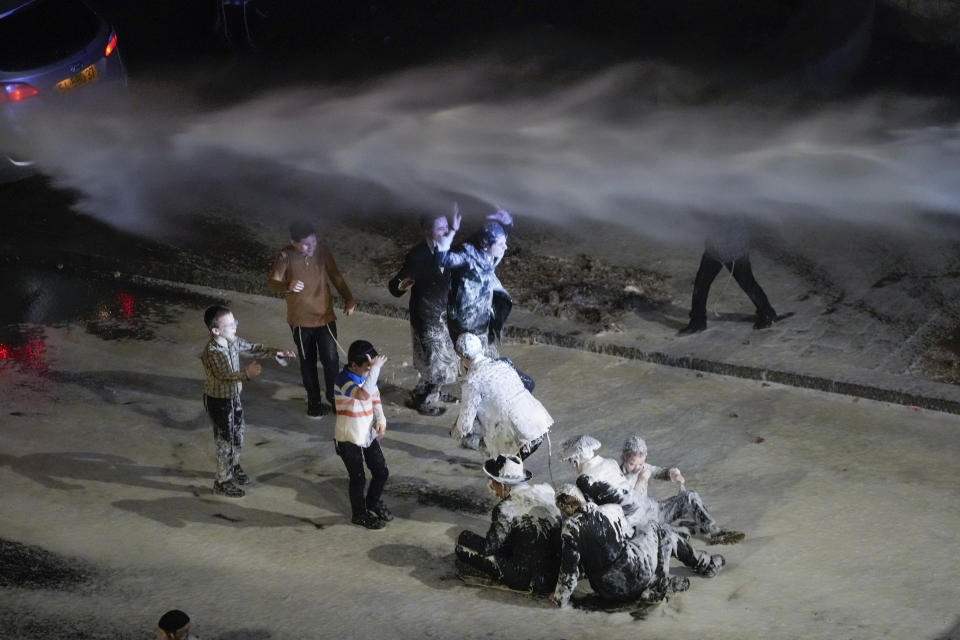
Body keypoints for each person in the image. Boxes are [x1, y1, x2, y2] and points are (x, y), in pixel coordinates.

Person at [549, 484, 725, 608]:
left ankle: (657, 582)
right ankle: (704, 565)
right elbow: (629, 535)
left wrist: (560, 599)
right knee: (660, 530)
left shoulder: (568, 531)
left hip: (608, 591)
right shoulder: (611, 510)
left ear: (563, 509)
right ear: (582, 497)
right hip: (637, 574)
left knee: (640, 537)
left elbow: (569, 573)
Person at [200, 305, 295, 498]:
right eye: (230, 324)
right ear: (216, 330)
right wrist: (247, 374)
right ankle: (222, 481)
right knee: (225, 441)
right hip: (218, 402)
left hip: (233, 399)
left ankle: (233, 466)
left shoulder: (231, 340)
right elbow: (223, 375)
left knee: (238, 435)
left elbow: (252, 348)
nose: (235, 326)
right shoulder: (212, 352)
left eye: (235, 322)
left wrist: (276, 352)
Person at [268, 220, 357, 418]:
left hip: (325, 317)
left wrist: (349, 298)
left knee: (331, 361)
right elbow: (272, 283)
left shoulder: (322, 251)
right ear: (293, 242)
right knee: (307, 363)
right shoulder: (285, 256)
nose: (311, 246)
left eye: (313, 241)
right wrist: (287, 285)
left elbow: (336, 276)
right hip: (300, 322)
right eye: (306, 244)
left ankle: (336, 401)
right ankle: (314, 404)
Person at [455, 455, 562, 595]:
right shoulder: (547, 493)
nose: (491, 486)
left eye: (493, 482)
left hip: (527, 579)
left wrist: (464, 537)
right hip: (554, 575)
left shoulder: (506, 509)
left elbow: (489, 547)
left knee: (462, 547)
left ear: (503, 485)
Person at [388, 209, 460, 416]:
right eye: (440, 228)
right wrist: (403, 284)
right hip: (427, 316)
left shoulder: (450, 250)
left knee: (446, 358)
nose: (446, 231)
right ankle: (425, 400)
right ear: (428, 232)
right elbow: (396, 285)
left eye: (447, 227)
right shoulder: (418, 255)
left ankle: (430, 390)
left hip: (446, 313)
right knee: (434, 360)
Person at [620, 435, 744, 544]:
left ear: (645, 457)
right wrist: (640, 481)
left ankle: (713, 530)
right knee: (679, 536)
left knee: (689, 496)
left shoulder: (643, 467)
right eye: (632, 464)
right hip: (644, 522)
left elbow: (659, 471)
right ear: (623, 458)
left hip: (656, 510)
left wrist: (673, 474)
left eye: (641, 464)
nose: (637, 469)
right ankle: (688, 528)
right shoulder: (617, 476)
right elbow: (629, 505)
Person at [451, 332, 551, 459]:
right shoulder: (503, 364)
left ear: (461, 357)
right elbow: (529, 384)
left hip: (521, 437)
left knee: (505, 470)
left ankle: (502, 472)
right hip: (539, 423)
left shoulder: (472, 382)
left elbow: (465, 425)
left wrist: (457, 431)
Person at [678, 213, 777, 335]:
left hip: (734, 251)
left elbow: (715, 221)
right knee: (701, 284)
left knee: (747, 283)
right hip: (714, 250)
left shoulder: (726, 205)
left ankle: (767, 313)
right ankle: (698, 322)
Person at [435, 206, 514, 358]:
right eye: (500, 244)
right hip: (466, 313)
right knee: (466, 351)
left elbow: (501, 237)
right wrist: (451, 231)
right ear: (485, 246)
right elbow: (442, 260)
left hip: (483, 307)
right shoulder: (467, 255)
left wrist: (508, 223)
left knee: (484, 345)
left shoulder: (493, 249)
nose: (506, 247)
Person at [333, 339, 392, 529]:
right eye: (367, 368)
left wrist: (381, 419)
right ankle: (359, 514)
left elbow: (374, 397)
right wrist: (375, 370)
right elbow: (363, 395)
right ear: (353, 365)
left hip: (367, 433)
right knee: (358, 478)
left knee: (381, 472)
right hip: (348, 437)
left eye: (371, 368)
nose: (370, 372)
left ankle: (372, 502)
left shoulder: (368, 376)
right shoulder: (343, 380)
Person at [560, 434, 647, 526]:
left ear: (575, 462)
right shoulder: (611, 461)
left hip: (625, 521)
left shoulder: (584, 479)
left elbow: (589, 507)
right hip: (640, 509)